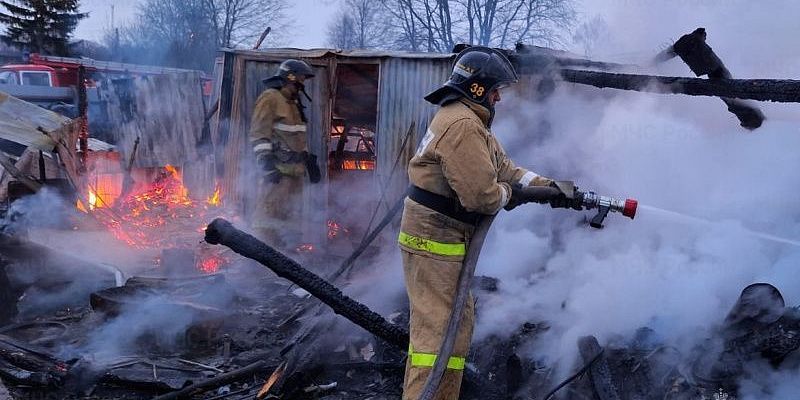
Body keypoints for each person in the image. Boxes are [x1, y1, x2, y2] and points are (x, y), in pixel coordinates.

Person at [398, 46, 581, 399]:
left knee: (455, 328)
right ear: (477, 87)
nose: (499, 96)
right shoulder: (463, 125)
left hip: (444, 238)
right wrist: (510, 195)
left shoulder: (469, 120)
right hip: (433, 238)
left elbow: (506, 171)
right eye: (496, 88)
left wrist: (552, 188)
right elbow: (481, 197)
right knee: (436, 338)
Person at [249, 59, 321, 249]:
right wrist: (266, 166)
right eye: (302, 78)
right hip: (277, 175)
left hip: (295, 174)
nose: (303, 83)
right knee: (267, 219)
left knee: (290, 219)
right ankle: (258, 259)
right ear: (291, 77)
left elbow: (295, 137)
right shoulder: (270, 98)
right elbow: (259, 134)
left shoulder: (293, 103)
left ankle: (285, 257)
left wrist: (308, 160)